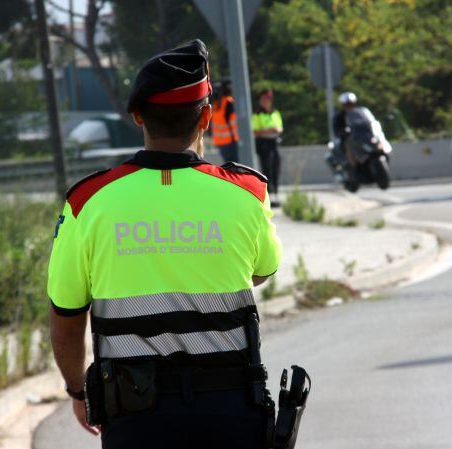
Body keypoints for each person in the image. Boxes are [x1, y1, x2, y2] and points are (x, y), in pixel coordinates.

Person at [47, 39, 282, 449]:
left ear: (138, 115)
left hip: (135, 415)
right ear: (206, 116)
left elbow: (66, 315)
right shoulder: (247, 192)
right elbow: (263, 270)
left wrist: (77, 391)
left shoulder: (87, 201)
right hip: (230, 410)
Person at [252, 90, 283, 208]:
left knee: (276, 167)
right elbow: (256, 131)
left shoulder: (275, 112)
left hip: (274, 142)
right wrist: (270, 130)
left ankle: (276, 193)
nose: (266, 101)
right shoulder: (257, 114)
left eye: (268, 99)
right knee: (267, 168)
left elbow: (280, 128)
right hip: (264, 143)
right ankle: (269, 195)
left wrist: (273, 130)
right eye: (264, 99)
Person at [211, 80, 240, 163]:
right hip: (230, 141)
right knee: (234, 167)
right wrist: (237, 139)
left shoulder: (215, 104)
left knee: (228, 166)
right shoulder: (228, 102)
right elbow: (232, 122)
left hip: (219, 141)